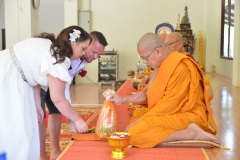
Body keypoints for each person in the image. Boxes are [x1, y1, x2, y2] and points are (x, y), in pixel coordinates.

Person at [109, 32, 218, 148]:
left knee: (133, 133)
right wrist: (122, 99)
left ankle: (191, 132)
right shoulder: (162, 64)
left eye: (146, 58)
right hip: (173, 112)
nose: (145, 62)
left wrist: (144, 120)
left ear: (158, 52)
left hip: (189, 115)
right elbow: (146, 93)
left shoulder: (180, 67)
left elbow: (169, 105)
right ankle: (165, 135)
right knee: (136, 117)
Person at [0, 25, 91, 160]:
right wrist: (77, 120)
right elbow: (58, 99)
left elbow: (34, 77)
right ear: (72, 43)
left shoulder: (51, 46)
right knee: (17, 126)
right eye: (83, 48)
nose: (83, 53)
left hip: (11, 71)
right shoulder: (58, 58)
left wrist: (37, 104)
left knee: (25, 124)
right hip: (9, 78)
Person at [39, 31, 108, 160]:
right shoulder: (66, 55)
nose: (96, 57)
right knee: (39, 117)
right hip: (39, 81)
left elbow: (65, 84)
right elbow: (61, 94)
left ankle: (55, 151)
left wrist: (70, 117)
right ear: (86, 45)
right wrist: (74, 119)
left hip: (55, 81)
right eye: (93, 52)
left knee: (56, 112)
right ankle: (41, 155)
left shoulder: (83, 57)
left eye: (99, 54)